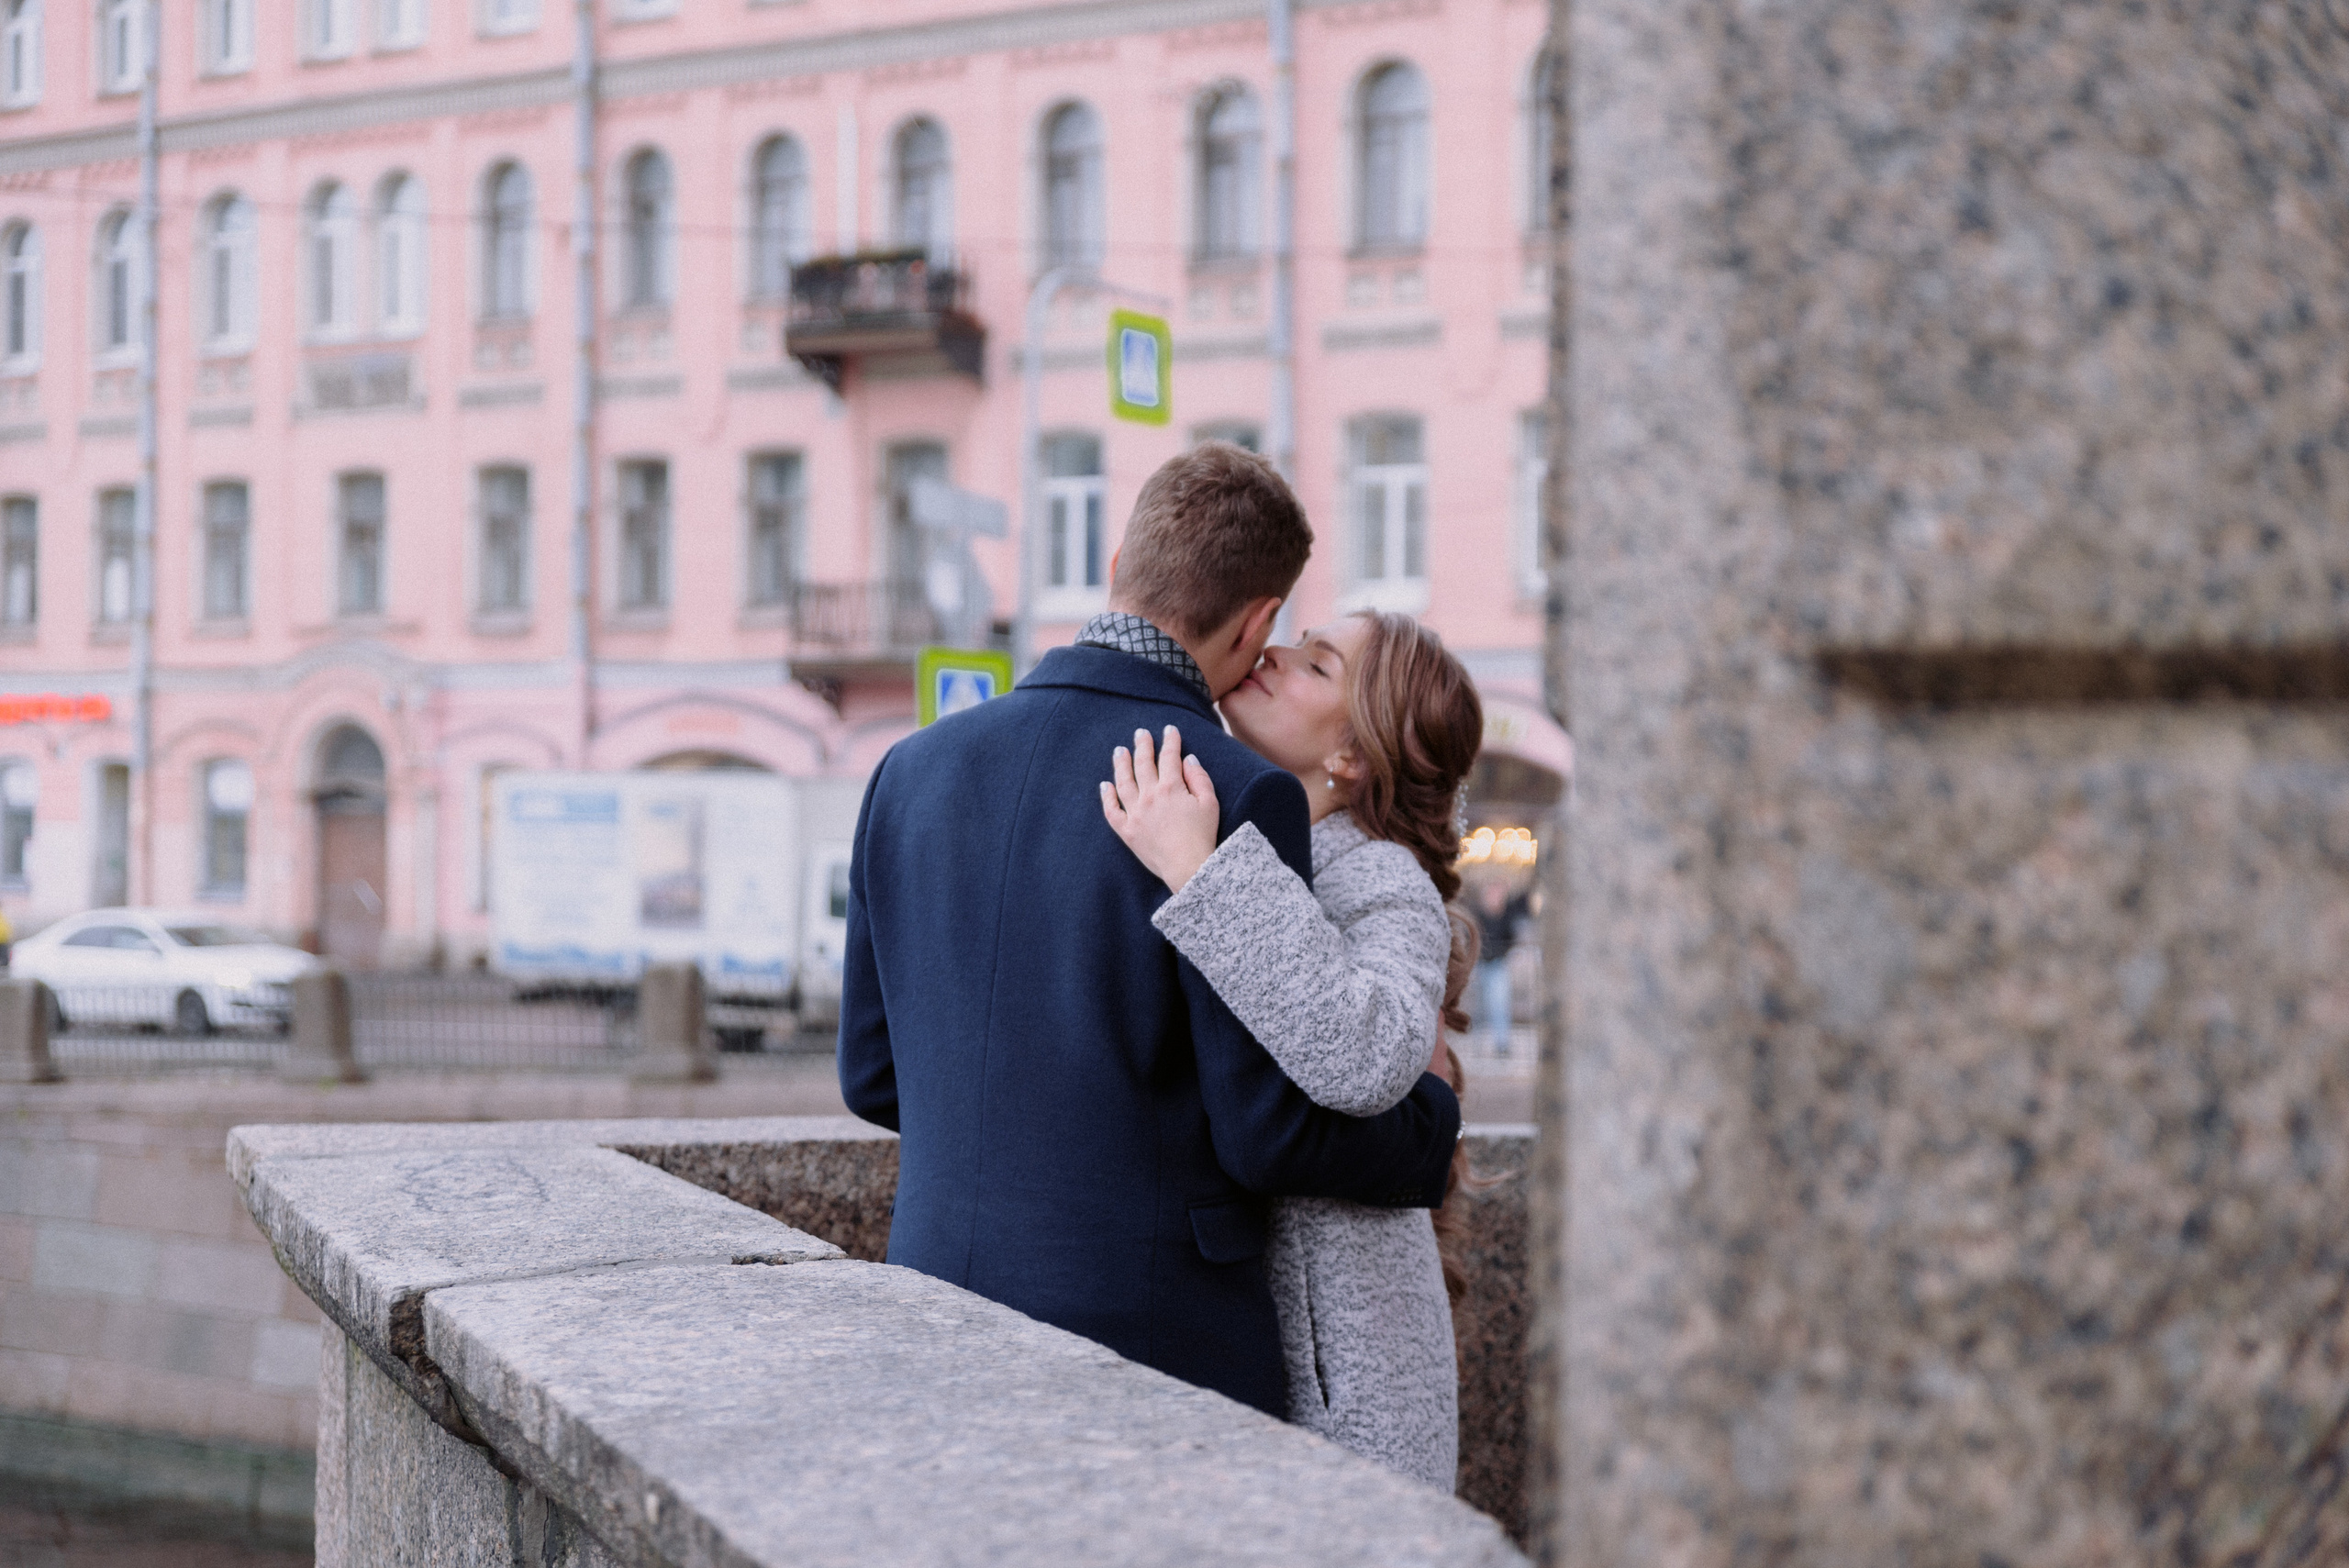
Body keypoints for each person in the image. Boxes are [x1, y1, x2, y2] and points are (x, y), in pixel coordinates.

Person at [838, 443, 1461, 1420]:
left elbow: (873, 1075)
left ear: (1118, 567)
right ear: (1257, 624)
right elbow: (1263, 1130)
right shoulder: (1229, 790)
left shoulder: (908, 769)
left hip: (927, 1299)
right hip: (1156, 1334)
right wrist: (1429, 1128)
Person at [1099, 610, 1482, 1490]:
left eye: (1315, 664)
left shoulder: (1378, 873)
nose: (1272, 654)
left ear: (1350, 754)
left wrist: (1200, 870)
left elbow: (1368, 1054)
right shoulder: (1283, 845)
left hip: (1350, 1379)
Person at [1470, 878, 1529, 1055]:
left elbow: (1512, 936)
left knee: (1499, 1004)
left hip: (1497, 963)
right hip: (1480, 963)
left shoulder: (1507, 914)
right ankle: (1478, 1044)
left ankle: (1502, 1044)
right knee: (1478, 1006)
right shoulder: (1478, 913)